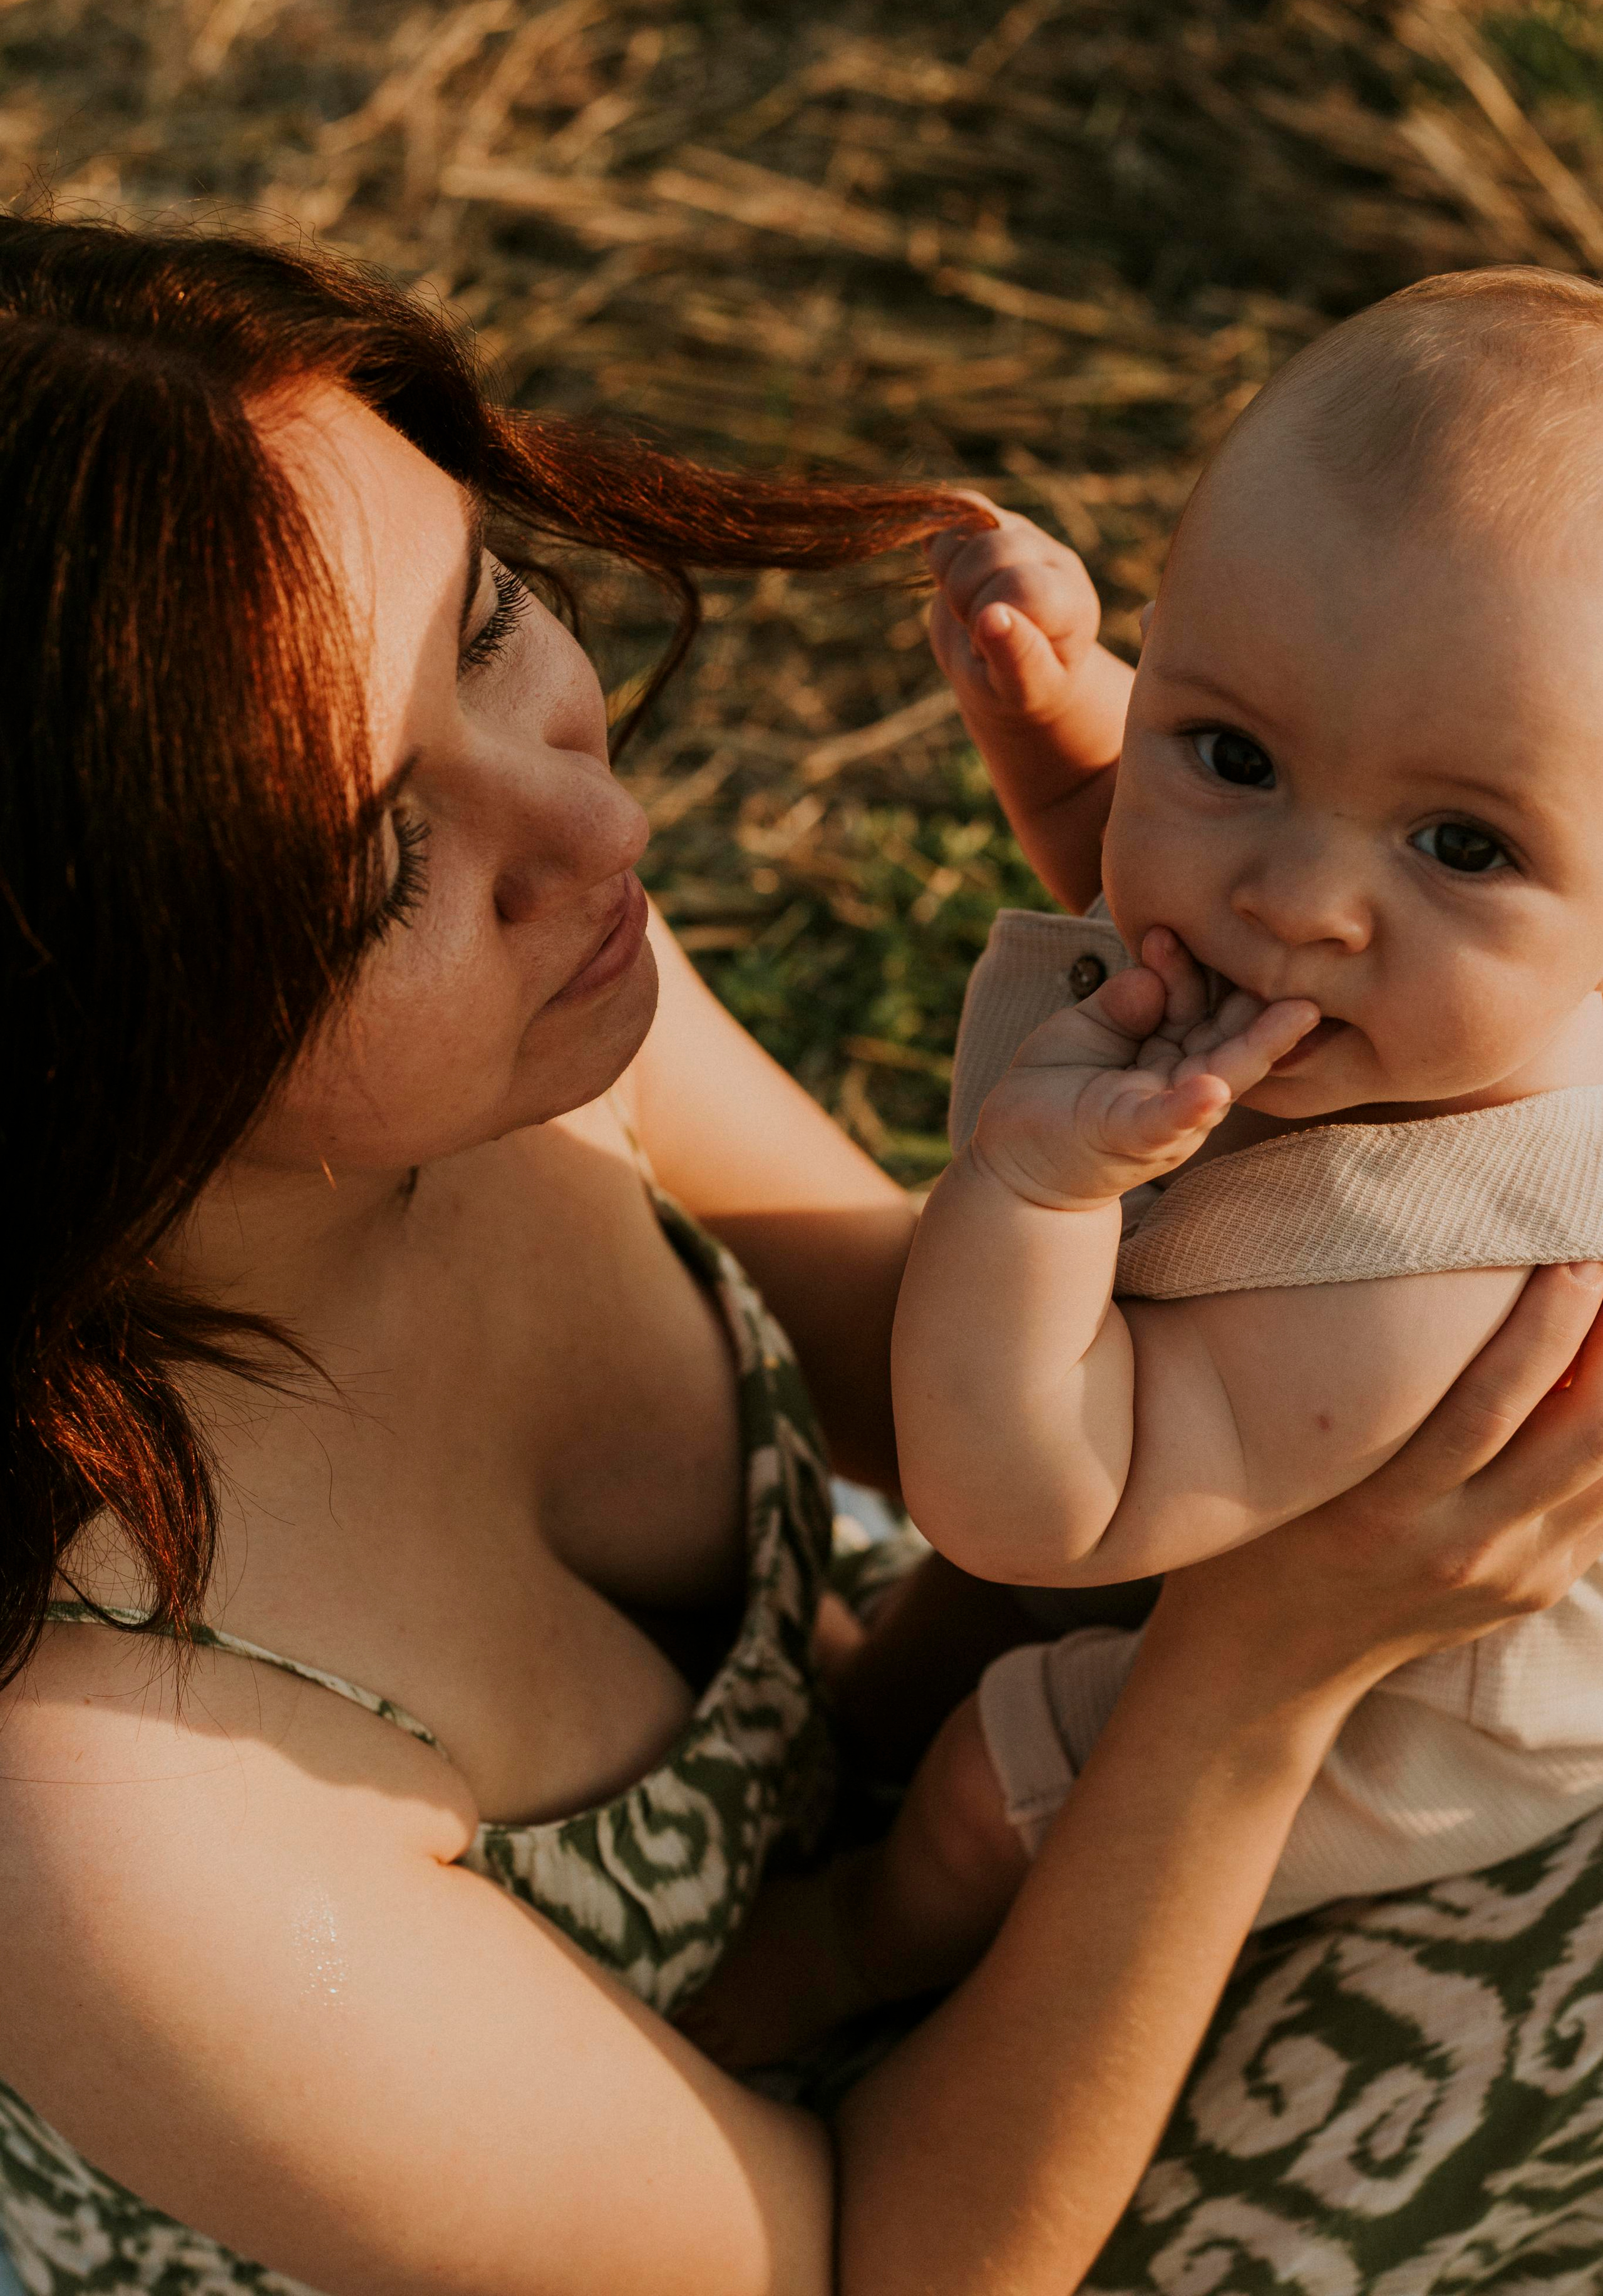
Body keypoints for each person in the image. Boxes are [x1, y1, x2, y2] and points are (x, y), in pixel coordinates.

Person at [4, 219, 1603, 2296]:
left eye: (494, 627)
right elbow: (865, 2275)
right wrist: (1259, 1663)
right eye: (388, 860)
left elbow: (933, 1349)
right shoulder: (113, 1819)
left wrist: (1212, 976)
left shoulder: (532, 1028)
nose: (602, 836)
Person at [685, 266, 1603, 2078]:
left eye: (1458, 842)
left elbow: (1046, 1502)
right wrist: (1061, 728)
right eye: (1233, 747)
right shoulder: (1388, 973)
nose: (1293, 900)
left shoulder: (1436, 1277)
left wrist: (1036, 1203)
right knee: (948, 1641)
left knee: (1001, 1776)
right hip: (1227, 1441)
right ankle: (838, 1734)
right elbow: (1156, 880)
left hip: (1407, 1657)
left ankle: (831, 1965)